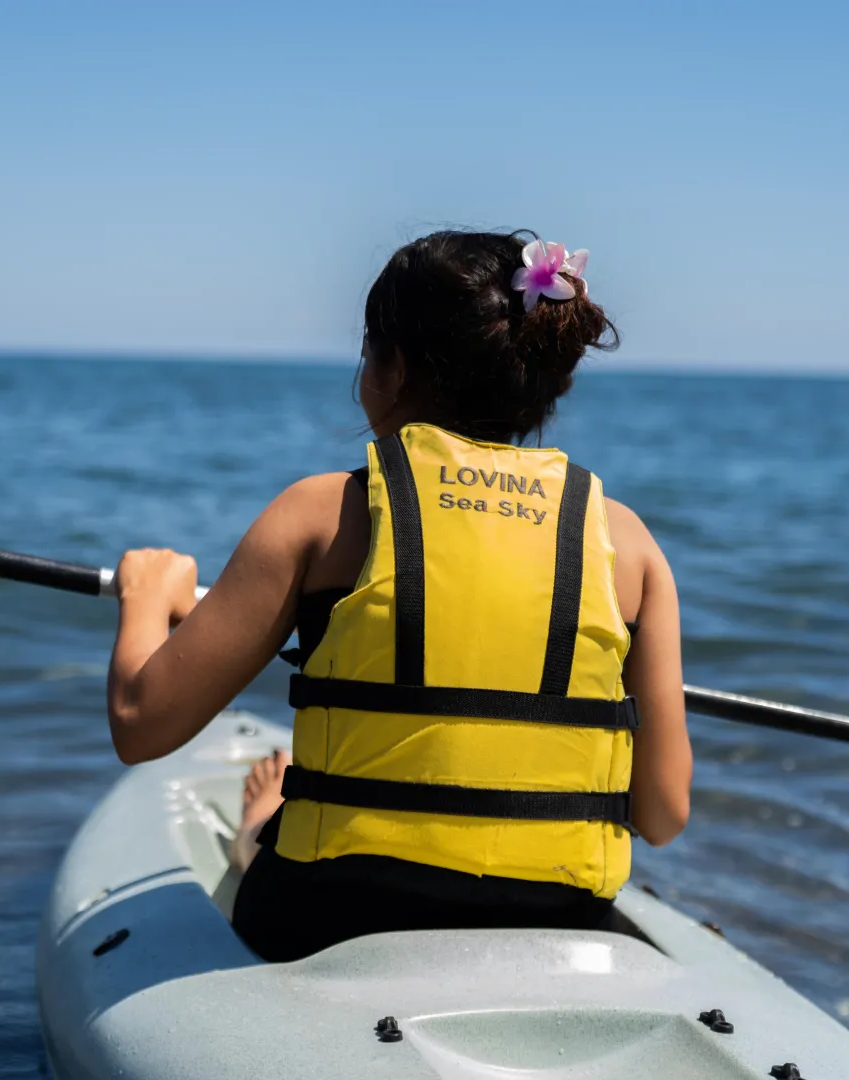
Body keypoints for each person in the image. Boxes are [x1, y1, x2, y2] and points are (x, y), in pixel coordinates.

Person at [107, 230, 692, 962]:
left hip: (330, 919)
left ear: (395, 368)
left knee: (265, 826)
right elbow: (663, 814)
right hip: (557, 921)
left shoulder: (320, 514)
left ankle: (257, 831)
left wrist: (145, 597)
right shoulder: (627, 542)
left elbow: (141, 725)